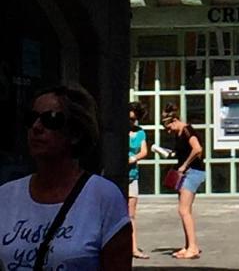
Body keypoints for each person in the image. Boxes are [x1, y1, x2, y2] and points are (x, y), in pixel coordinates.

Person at [0, 83, 131, 271]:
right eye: (31, 118)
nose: (36, 127)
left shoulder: (103, 197)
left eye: (50, 119)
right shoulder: (6, 196)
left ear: (76, 133)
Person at [162, 103, 206, 260]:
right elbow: (183, 151)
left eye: (168, 127)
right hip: (188, 172)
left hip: (193, 172)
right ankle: (188, 245)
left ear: (174, 120)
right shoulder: (179, 134)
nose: (167, 131)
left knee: (183, 210)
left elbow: (197, 149)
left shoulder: (187, 130)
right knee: (184, 210)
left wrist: (184, 166)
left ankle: (193, 247)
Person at [129, 101, 149, 259]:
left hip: (132, 176)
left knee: (131, 215)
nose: (131, 122)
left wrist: (134, 157)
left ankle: (133, 247)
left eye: (133, 119)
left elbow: (144, 151)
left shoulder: (140, 132)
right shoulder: (118, 132)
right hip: (117, 176)